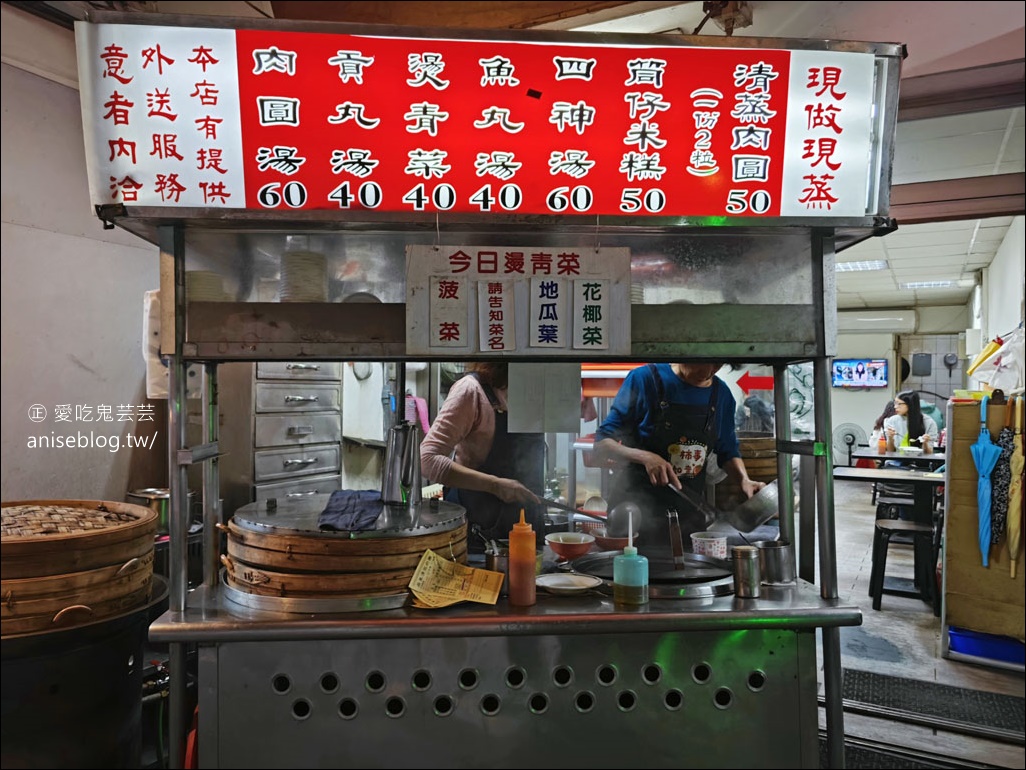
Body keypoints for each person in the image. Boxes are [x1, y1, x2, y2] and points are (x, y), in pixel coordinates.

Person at [592, 362, 766, 554]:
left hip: (687, 514)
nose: (709, 371)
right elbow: (602, 445)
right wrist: (646, 457)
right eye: (705, 362)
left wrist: (744, 480)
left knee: (686, 576)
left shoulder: (721, 394)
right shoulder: (645, 379)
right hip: (635, 512)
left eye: (718, 365)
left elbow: (728, 450)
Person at [420, 362, 544, 551]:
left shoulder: (533, 394)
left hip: (526, 525)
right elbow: (426, 460)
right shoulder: (471, 390)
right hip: (479, 529)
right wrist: (494, 484)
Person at [884, 389, 939, 455]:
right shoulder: (892, 421)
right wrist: (890, 438)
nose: (895, 407)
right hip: (896, 462)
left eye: (899, 404)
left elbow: (929, 454)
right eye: (895, 403)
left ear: (910, 404)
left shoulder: (929, 423)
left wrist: (925, 443)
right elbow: (890, 451)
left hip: (920, 462)